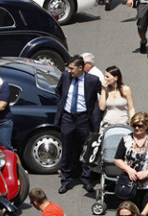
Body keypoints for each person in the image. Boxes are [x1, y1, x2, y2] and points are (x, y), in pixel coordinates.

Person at [54, 55, 102, 194]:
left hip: (84, 119)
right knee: (67, 150)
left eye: (72, 68)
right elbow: (58, 92)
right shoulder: (65, 77)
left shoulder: (92, 80)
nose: (69, 71)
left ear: (80, 68)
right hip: (68, 118)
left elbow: (103, 93)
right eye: (68, 68)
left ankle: (86, 180)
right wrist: (61, 107)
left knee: (86, 150)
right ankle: (66, 180)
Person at [114, 112, 148, 212]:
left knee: (146, 212)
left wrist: (146, 173)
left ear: (147, 125)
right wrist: (129, 170)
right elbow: (117, 159)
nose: (137, 128)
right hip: (129, 184)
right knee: (130, 211)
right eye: (134, 125)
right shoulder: (126, 139)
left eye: (140, 125)